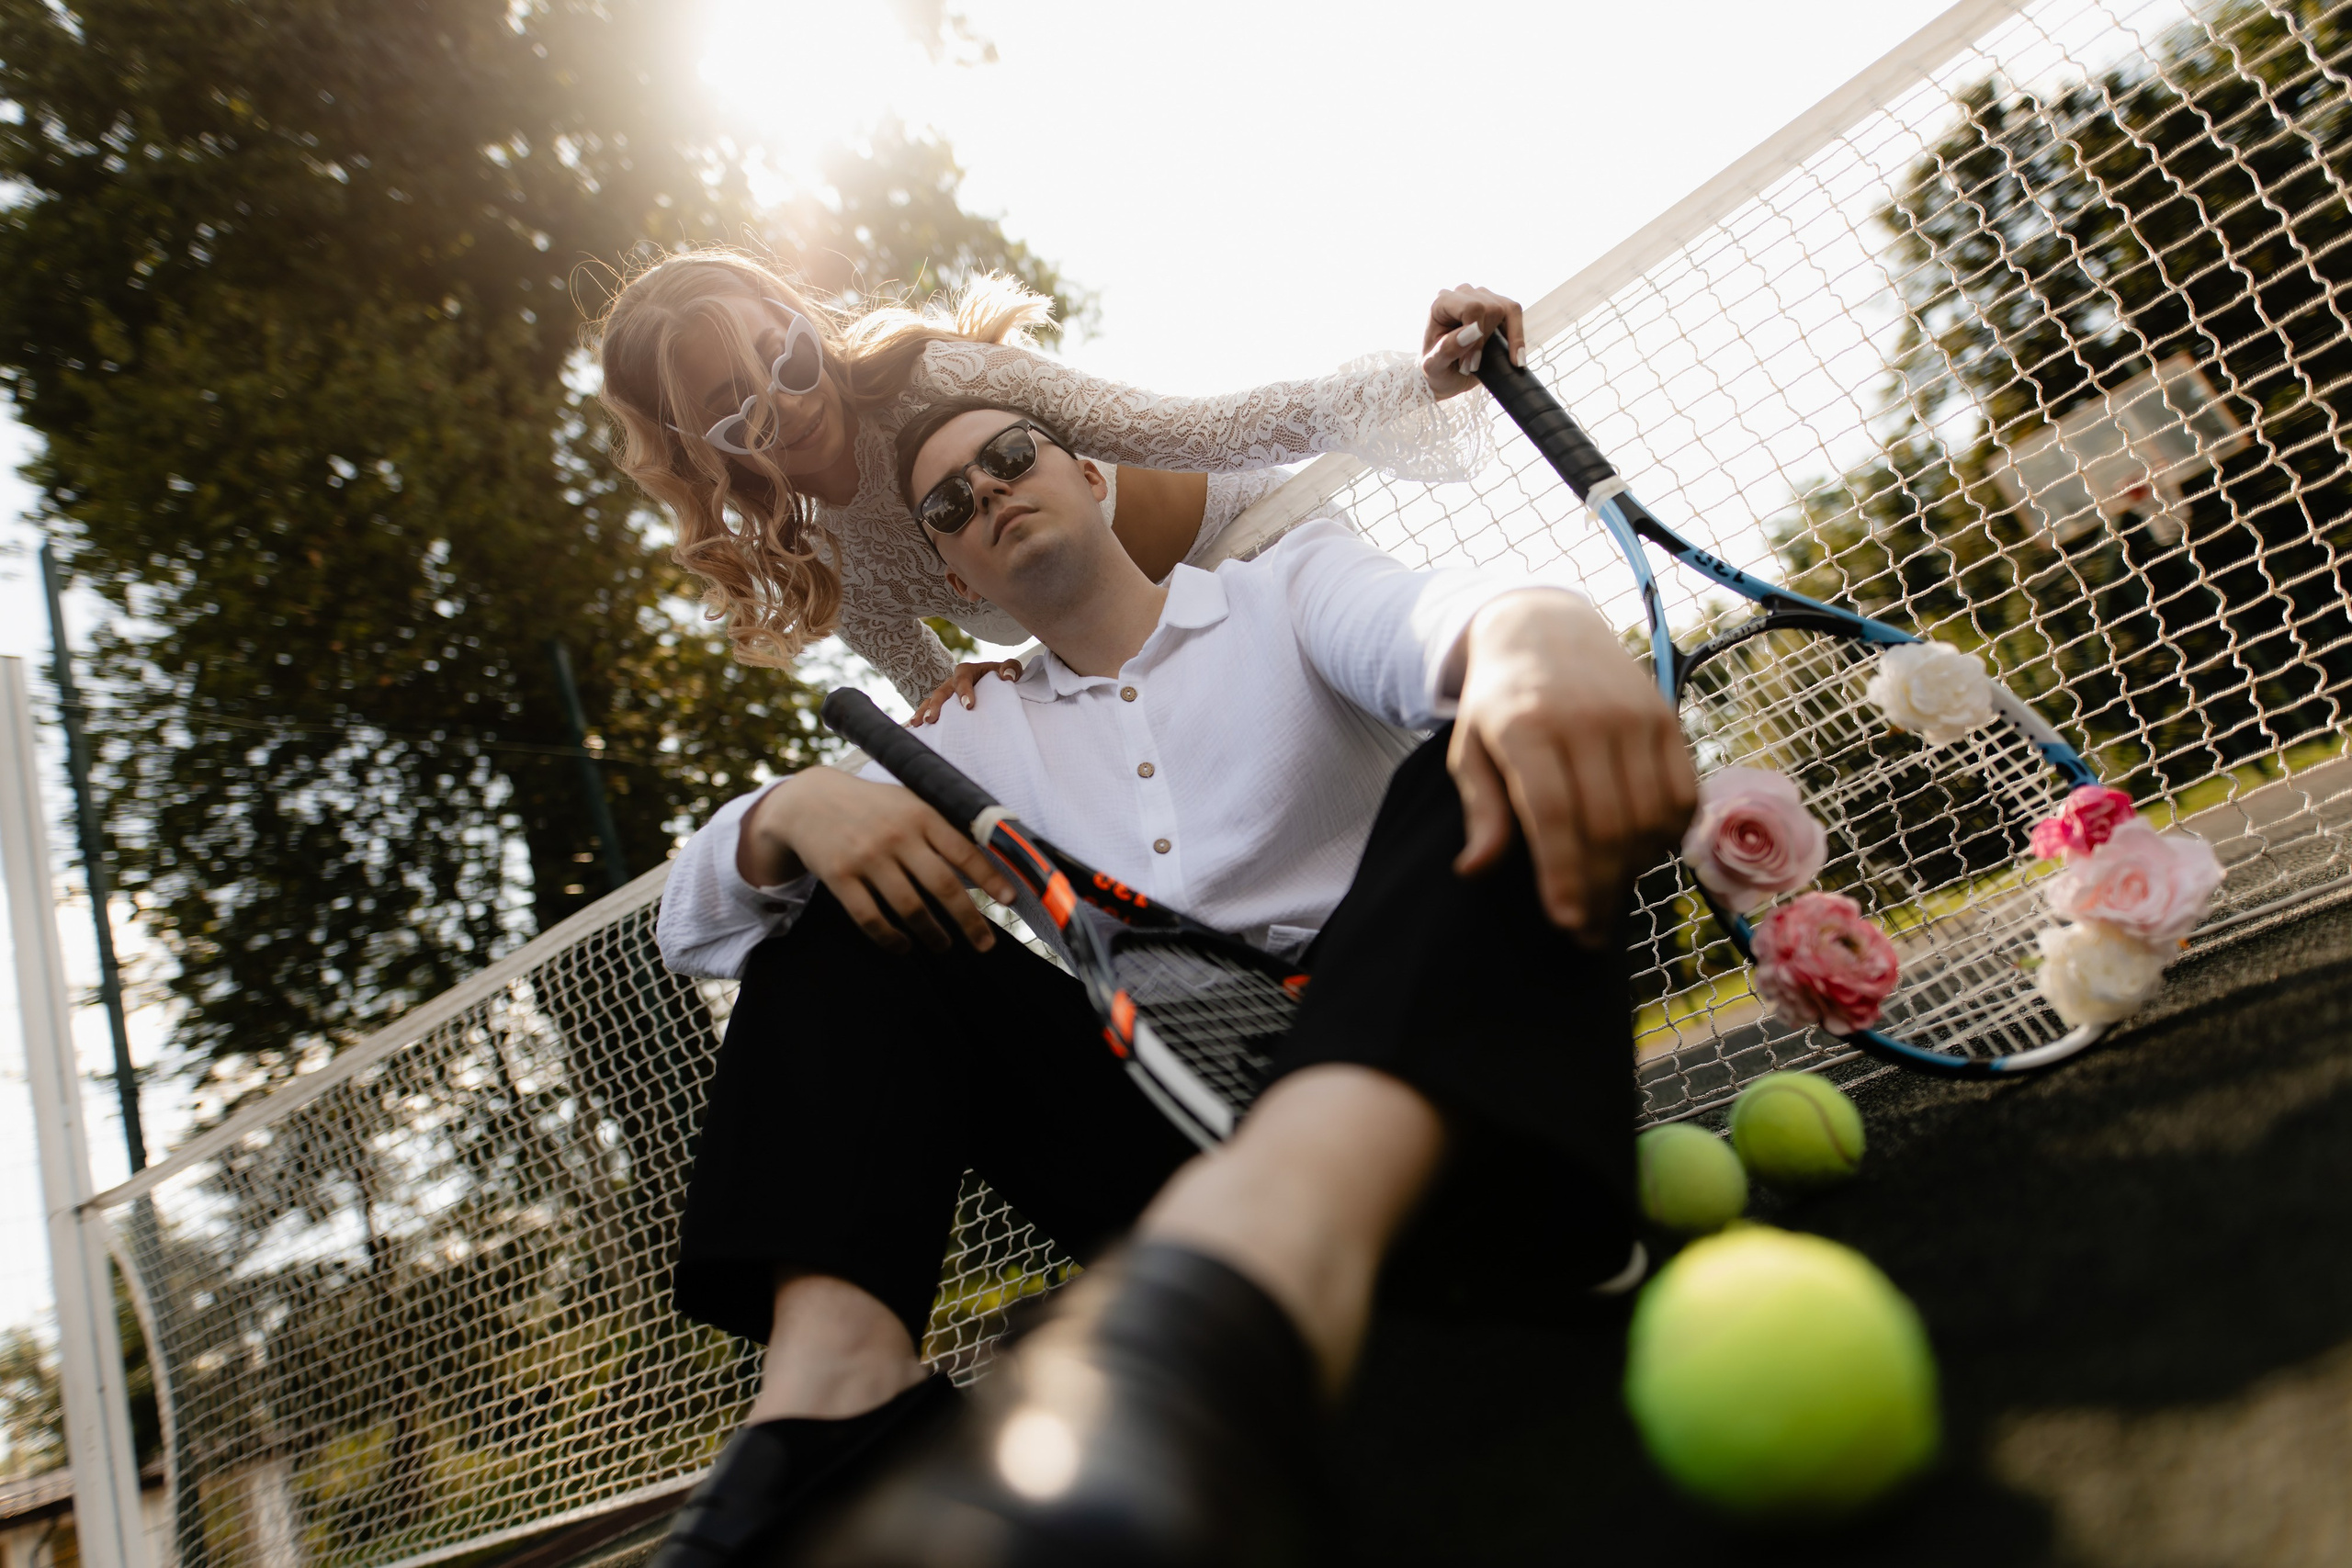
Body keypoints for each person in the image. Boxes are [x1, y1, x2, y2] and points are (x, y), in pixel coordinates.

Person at [646, 373, 1699, 1564]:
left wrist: (1533, 630)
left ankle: (1256, 1284)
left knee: (1477, 751)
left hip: (1425, 1099)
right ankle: (834, 1402)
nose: (987, 489)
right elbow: (698, 927)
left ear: (1090, 477)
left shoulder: (1287, 586)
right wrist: (792, 805)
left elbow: (1433, 620)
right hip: (1159, 1147)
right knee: (844, 895)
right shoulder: (966, 734)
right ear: (956, 579)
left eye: (1011, 455)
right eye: (948, 503)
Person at [593, 250, 1524, 717]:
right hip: (1139, 669)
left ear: (800, 318)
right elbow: (950, 700)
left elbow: (1192, 430)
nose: (789, 407)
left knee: (1428, 710)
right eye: (738, 411)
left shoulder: (940, 382)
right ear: (695, 449)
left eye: (786, 356)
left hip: (1257, 554)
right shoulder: (822, 561)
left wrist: (1416, 379)